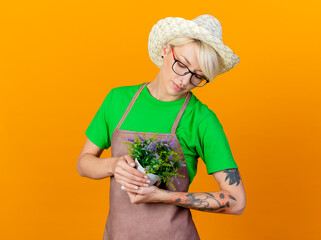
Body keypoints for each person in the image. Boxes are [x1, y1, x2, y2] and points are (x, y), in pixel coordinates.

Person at [77, 14, 246, 240]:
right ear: (166, 49)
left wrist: (160, 195)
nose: (185, 80)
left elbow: (236, 202)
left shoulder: (201, 119)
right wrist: (114, 165)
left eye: (198, 76)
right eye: (182, 64)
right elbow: (84, 163)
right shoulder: (118, 100)